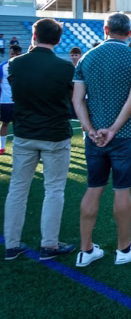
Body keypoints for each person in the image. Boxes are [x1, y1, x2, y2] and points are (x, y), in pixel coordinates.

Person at [72, 12, 131, 266]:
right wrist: (115, 128)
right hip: (125, 135)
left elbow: (77, 99)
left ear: (105, 29)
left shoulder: (87, 58)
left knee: (93, 188)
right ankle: (124, 249)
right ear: (129, 33)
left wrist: (89, 129)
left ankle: (86, 250)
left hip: (95, 136)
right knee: (122, 190)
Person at [3, 20, 76, 260]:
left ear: (34, 35)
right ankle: (49, 244)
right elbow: (71, 99)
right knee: (54, 189)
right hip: (55, 134)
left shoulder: (16, 63)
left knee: (18, 189)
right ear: (58, 39)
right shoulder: (65, 67)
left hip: (24, 134)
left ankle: (12, 245)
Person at [0, 45, 23, 154]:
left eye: (17, 55)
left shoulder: (24, 67)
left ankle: (17, 147)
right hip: (5, 101)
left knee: (18, 124)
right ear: (9, 54)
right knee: (5, 123)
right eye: (12, 54)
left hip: (19, 101)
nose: (14, 56)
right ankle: (2, 146)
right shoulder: (2, 67)